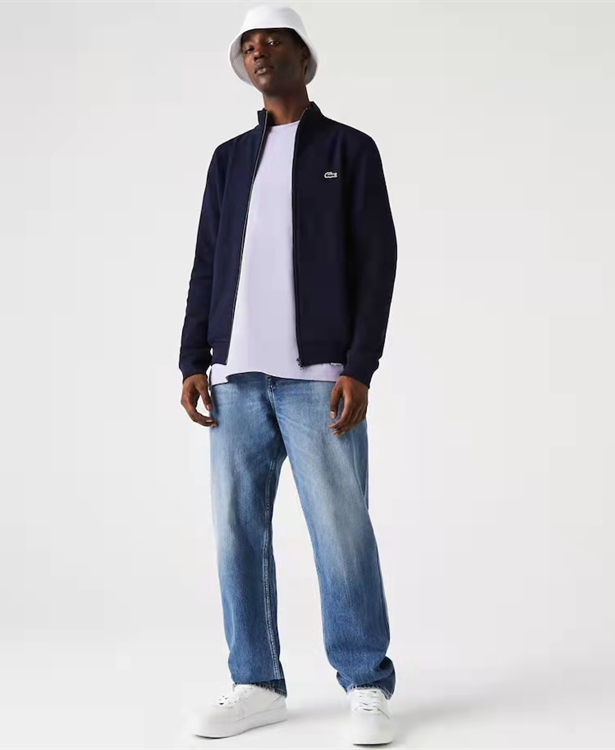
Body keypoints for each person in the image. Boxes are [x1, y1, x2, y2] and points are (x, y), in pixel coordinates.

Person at [179, 4, 398, 745]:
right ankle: (255, 682)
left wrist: (359, 366)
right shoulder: (228, 160)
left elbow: (377, 262)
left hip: (319, 377)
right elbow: (207, 264)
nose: (258, 50)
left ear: (305, 58)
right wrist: (193, 359)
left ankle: (366, 683)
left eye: (273, 40)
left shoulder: (349, 149)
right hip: (236, 376)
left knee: (341, 532)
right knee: (236, 534)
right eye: (248, 43)